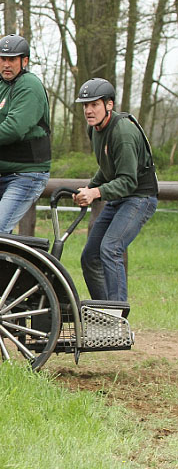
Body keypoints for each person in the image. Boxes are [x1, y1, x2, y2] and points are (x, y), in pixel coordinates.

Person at [73, 78, 158, 302]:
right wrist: (90, 187)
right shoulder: (94, 130)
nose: (89, 110)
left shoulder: (123, 133)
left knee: (110, 249)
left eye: (94, 104)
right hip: (119, 198)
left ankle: (118, 317)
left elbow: (128, 181)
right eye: (85, 105)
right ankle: (105, 313)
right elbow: (107, 169)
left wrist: (95, 193)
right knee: (90, 256)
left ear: (109, 105)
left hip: (140, 197)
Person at [0, 34, 51, 234]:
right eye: (2, 59)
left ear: (25, 61)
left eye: (12, 59)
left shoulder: (29, 85)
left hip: (26, 174)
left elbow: (15, 127)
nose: (6, 64)